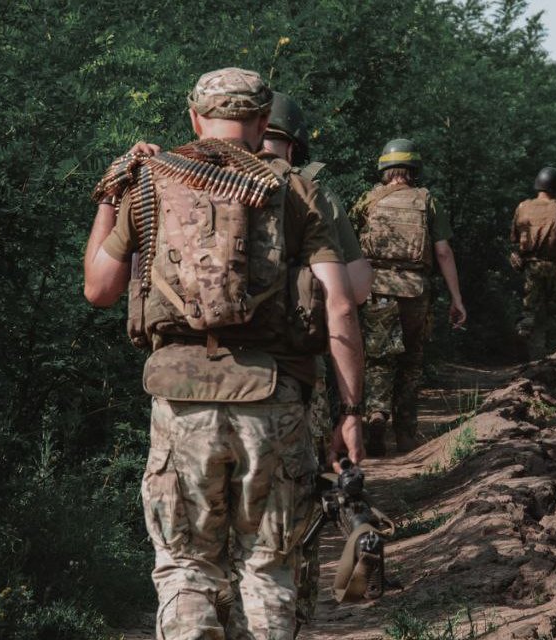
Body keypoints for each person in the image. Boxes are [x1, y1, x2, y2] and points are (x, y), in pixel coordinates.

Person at [82, 67, 366, 639]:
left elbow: (99, 289)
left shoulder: (151, 184)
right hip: (275, 397)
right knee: (267, 567)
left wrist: (110, 200)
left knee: (186, 565)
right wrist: (352, 410)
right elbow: (340, 305)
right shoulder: (294, 189)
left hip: (179, 399)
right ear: (263, 123)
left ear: (193, 117)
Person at [261, 90, 373, 630]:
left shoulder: (185, 178)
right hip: (288, 382)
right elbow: (353, 290)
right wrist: (350, 408)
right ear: (295, 140)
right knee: (286, 526)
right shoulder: (309, 191)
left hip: (188, 388)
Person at [351, 138, 466, 456]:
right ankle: (405, 436)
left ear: (384, 168)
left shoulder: (368, 200)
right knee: (411, 362)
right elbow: (443, 252)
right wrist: (457, 298)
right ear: (414, 168)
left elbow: (350, 249)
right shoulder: (427, 201)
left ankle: (375, 415)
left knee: (378, 360)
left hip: (378, 289)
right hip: (415, 291)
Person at [510, 166, 556, 360]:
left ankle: (523, 343)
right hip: (553, 266)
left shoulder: (523, 206)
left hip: (530, 266)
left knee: (529, 309)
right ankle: (548, 354)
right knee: (551, 310)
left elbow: (514, 238)